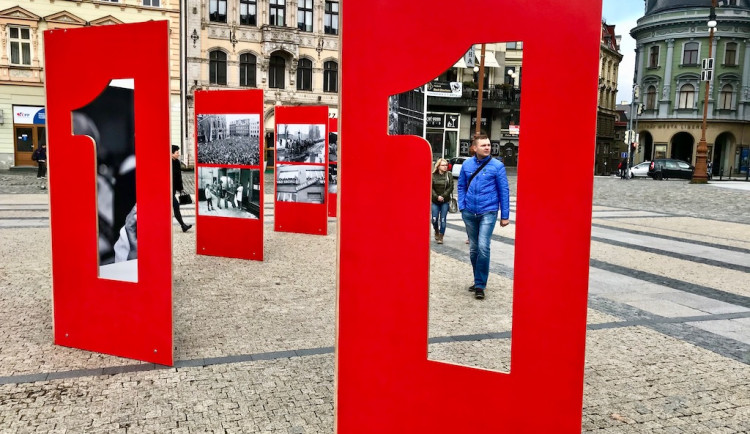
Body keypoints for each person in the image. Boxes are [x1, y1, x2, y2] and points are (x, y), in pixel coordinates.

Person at [457, 133, 510, 300]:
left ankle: (480, 285)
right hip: (469, 212)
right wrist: (462, 206)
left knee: (483, 247)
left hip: (488, 211)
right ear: (474, 148)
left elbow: (504, 191)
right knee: (474, 249)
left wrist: (505, 215)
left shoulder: (497, 166)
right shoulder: (467, 164)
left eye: (488, 145)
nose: (487, 147)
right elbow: (461, 186)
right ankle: (477, 279)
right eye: (484, 145)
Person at [431, 158, 453, 244]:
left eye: (446, 165)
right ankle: (436, 230)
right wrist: (437, 197)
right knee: (434, 219)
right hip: (435, 200)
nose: (445, 167)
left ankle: (441, 236)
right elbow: (431, 187)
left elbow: (450, 187)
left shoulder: (449, 175)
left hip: (445, 200)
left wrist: (443, 196)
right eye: (443, 165)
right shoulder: (433, 175)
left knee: (443, 219)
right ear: (438, 166)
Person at [171, 145, 192, 232]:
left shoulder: (177, 162)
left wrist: (181, 189)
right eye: (177, 152)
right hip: (166, 190)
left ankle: (183, 226)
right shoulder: (167, 163)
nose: (178, 154)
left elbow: (179, 177)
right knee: (176, 205)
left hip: (173, 189)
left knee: (175, 206)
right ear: (171, 153)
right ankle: (183, 225)